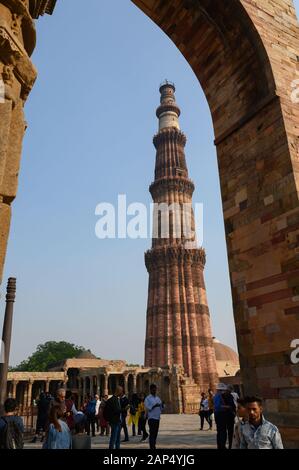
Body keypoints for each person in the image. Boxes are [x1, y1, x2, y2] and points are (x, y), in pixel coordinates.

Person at [214, 383, 236, 449]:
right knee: (225, 431)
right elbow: (218, 406)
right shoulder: (220, 396)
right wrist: (228, 407)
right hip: (224, 414)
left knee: (221, 431)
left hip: (220, 415)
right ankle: (224, 446)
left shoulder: (218, 396)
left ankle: (222, 446)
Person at [144, 384, 164, 450]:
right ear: (150, 390)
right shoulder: (148, 398)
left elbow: (161, 408)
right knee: (152, 433)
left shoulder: (158, 398)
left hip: (157, 418)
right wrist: (154, 406)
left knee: (155, 433)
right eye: (153, 389)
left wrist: (162, 405)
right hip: (151, 418)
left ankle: (153, 445)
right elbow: (147, 408)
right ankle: (152, 447)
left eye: (155, 389)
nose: (155, 390)